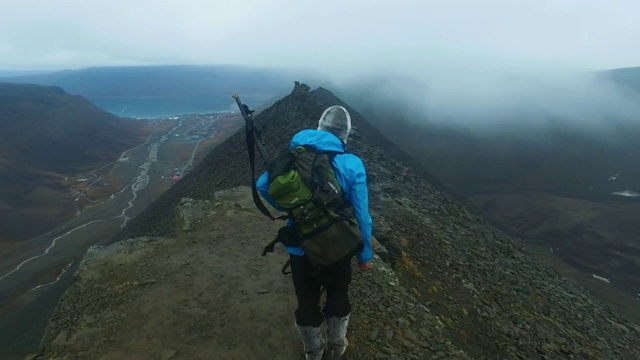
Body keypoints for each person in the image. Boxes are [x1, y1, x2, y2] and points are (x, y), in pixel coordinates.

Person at [256, 105, 373, 360]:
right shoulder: (351, 164)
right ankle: (336, 347)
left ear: (318, 129)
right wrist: (365, 254)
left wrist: (292, 209)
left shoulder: (294, 156)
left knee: (307, 301)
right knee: (338, 295)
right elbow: (362, 214)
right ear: (345, 136)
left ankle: (313, 352)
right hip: (339, 245)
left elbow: (263, 185)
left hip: (301, 245)